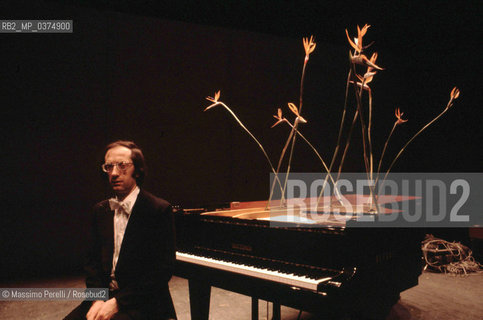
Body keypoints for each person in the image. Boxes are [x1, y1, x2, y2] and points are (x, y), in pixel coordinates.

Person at [65, 140, 176, 320]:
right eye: (109, 167)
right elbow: (91, 262)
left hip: (143, 302)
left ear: (137, 170)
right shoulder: (100, 210)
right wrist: (97, 299)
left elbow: (161, 271)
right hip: (104, 298)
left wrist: (117, 303)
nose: (114, 173)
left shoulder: (158, 210)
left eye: (122, 165)